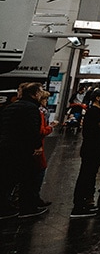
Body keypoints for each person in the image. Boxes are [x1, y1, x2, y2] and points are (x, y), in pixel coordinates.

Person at [0, 82, 51, 219]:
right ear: (35, 93)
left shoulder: (11, 107)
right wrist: (37, 145)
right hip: (22, 148)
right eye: (40, 91)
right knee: (27, 178)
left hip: (6, 146)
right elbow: (32, 130)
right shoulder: (31, 108)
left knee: (7, 179)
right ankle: (27, 208)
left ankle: (5, 207)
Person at [71, 88, 100, 218]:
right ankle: (79, 206)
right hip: (93, 148)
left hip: (91, 147)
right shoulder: (96, 112)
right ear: (98, 98)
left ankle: (83, 203)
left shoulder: (94, 111)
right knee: (86, 176)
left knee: (88, 176)